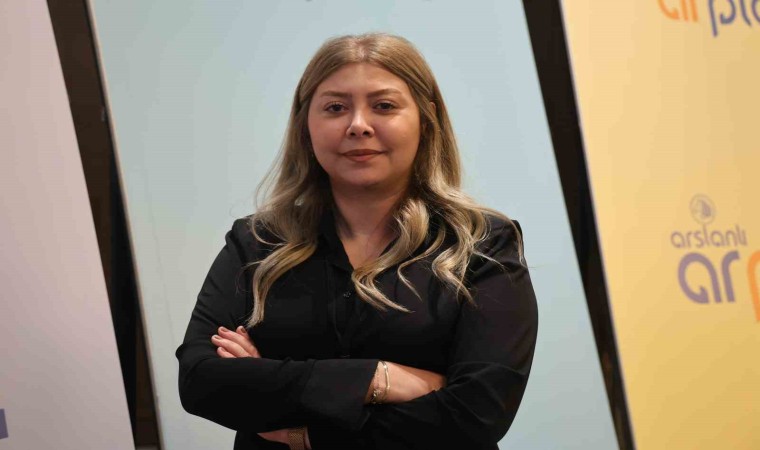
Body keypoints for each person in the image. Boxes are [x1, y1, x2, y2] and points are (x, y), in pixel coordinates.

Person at [176, 33, 538, 450]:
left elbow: (478, 412)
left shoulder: (482, 243)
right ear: (305, 125)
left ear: (426, 119)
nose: (358, 125)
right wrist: (379, 378)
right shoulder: (257, 243)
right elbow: (200, 381)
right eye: (335, 108)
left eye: (384, 106)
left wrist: (297, 423)